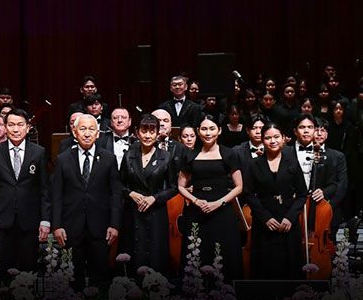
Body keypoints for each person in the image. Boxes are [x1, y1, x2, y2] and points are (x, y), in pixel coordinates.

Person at [51, 114, 122, 287]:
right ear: (75, 132)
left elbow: (115, 194)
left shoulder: (109, 158)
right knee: (72, 279)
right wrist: (57, 225)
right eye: (82, 129)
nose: (87, 133)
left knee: (101, 278)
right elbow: (57, 195)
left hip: (101, 227)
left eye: (91, 129)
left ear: (98, 134)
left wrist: (114, 224)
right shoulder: (63, 159)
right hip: (71, 227)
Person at [176, 115, 244, 280]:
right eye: (204, 129)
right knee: (196, 253)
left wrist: (218, 203)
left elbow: (239, 187)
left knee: (224, 254)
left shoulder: (229, 154)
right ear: (198, 131)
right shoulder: (190, 155)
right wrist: (195, 201)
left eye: (212, 129)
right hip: (196, 211)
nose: (208, 133)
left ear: (219, 131)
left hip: (223, 211)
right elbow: (180, 186)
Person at [0, 109, 50, 273]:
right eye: (11, 125)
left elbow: (44, 189)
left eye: (20, 125)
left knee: (28, 272)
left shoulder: (39, 152)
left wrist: (45, 220)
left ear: (28, 127)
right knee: (1, 272)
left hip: (30, 221)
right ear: (5, 127)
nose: (16, 129)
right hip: (1, 221)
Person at [242, 122, 306, 279]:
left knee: (290, 268)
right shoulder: (254, 164)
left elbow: (302, 194)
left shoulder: (292, 162)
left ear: (283, 138)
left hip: (288, 223)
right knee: (264, 268)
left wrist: (290, 218)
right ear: (262, 140)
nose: (273, 141)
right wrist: (265, 218)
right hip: (264, 223)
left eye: (276, 137)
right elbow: (248, 194)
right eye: (268, 138)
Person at [118, 116, 174, 273]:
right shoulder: (129, 155)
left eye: (152, 131)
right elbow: (119, 184)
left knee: (155, 258)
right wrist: (130, 193)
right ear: (137, 132)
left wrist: (154, 198)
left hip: (156, 213)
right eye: (144, 131)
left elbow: (173, 187)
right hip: (132, 212)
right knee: (132, 258)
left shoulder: (166, 156)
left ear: (157, 133)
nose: (148, 135)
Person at [312, 118, 349, 233]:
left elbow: (342, 185)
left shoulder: (338, 156)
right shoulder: (302, 154)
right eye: (316, 130)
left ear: (327, 134)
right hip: (306, 208)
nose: (319, 134)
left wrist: (328, 206)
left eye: (323, 130)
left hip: (331, 207)